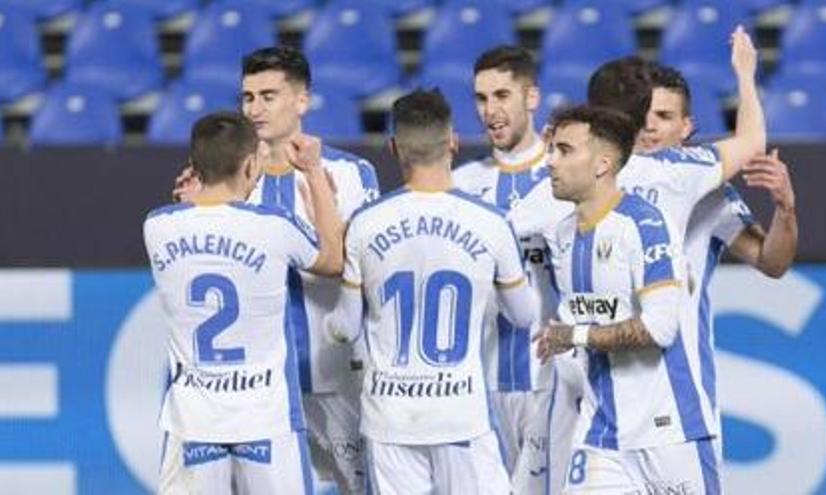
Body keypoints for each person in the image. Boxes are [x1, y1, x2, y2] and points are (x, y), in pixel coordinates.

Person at [520, 26, 766, 494]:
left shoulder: (553, 187)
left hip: (662, 407)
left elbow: (497, 231)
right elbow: (752, 141)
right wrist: (746, 75)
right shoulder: (675, 174)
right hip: (605, 417)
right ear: (641, 118)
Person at [175, 46, 379, 494]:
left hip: (332, 373)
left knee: (362, 487)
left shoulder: (349, 173)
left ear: (301, 101)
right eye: (248, 97)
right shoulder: (225, 181)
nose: (255, 108)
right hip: (257, 389)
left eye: (269, 96)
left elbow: (361, 265)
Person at [325, 88, 537, 494]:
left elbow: (345, 328)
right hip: (461, 414)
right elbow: (524, 316)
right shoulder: (490, 222)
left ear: (394, 148)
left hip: (391, 418)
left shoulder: (365, 224)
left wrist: (329, 326)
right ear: (453, 142)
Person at [144, 111, 343, 494]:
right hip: (265, 420)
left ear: (195, 166)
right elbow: (333, 260)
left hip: (193, 423)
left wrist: (190, 199)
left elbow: (193, 222)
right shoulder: (275, 225)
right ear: (251, 164)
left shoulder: (157, 226)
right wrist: (314, 172)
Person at [535, 103, 710, 492]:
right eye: (551, 150)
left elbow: (660, 328)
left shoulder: (646, 224)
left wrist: (574, 336)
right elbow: (577, 322)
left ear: (602, 164)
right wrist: (559, 339)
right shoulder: (561, 236)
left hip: (667, 431)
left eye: (564, 151)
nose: (550, 162)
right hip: (601, 434)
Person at [642, 63, 798, 457]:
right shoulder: (595, 186)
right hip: (598, 406)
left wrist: (784, 208)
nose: (650, 125)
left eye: (664, 116)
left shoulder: (709, 194)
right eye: (643, 113)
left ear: (687, 127)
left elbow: (772, 261)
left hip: (679, 403)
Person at [451, 45, 558, 494]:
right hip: (484, 385)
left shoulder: (565, 175)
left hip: (552, 381)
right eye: (480, 98)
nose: (490, 110)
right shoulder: (461, 184)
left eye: (501, 96)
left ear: (530, 98)